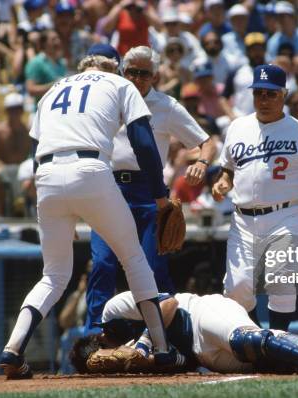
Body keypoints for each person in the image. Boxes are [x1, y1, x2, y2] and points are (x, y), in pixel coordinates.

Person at [0, 44, 186, 379]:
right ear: (112, 67)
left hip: (46, 176)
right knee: (134, 260)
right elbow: (143, 142)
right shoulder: (119, 84)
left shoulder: (52, 90)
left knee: (53, 276)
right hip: (91, 170)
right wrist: (159, 195)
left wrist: (61, 212)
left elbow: (34, 149)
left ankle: (12, 350)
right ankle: (161, 350)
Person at [84, 45, 216, 335]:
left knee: (151, 269)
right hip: (108, 188)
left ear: (155, 76)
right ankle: (93, 335)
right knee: (103, 264)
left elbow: (207, 141)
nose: (137, 78)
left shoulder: (166, 106)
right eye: (132, 72)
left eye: (145, 73)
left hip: (149, 193)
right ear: (122, 71)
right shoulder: (106, 99)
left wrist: (202, 163)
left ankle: (165, 335)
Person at [212, 64, 298, 331]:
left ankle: (278, 339)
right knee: (237, 288)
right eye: (259, 93)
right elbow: (228, 166)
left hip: (286, 215)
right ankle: (259, 340)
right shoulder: (237, 127)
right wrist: (224, 181)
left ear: (283, 94)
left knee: (280, 278)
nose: (264, 99)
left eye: (271, 94)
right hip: (243, 217)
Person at [71, 291, 298, 376]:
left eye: (102, 355)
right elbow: (182, 363)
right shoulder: (128, 367)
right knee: (267, 362)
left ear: (100, 341)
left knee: (248, 341)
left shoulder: (112, 312)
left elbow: (168, 304)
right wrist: (148, 362)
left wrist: (143, 343)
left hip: (200, 314)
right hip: (202, 354)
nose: (108, 360)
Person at [0, 93, 31, 216]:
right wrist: (4, 168)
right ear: (6, 111)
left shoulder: (28, 131)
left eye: (18, 109)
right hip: (4, 167)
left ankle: (32, 214)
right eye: (12, 109)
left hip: (23, 168)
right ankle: (0, 215)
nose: (15, 113)